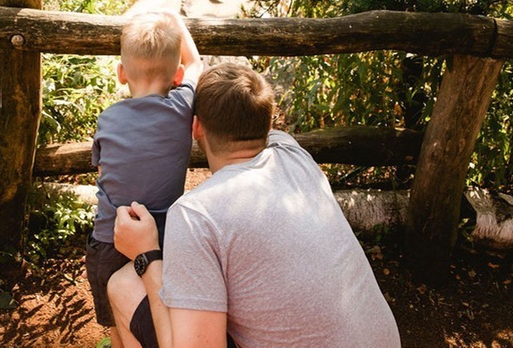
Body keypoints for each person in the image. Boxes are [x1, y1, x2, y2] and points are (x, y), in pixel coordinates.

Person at [108, 62, 401, 348]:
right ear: (269, 123)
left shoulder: (196, 215)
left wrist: (146, 255)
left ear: (196, 127)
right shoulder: (292, 154)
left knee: (124, 285)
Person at [86, 11, 204, 348]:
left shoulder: (108, 119)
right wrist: (179, 20)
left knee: (115, 321)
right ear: (176, 75)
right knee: (153, 311)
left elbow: (103, 171)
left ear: (122, 74)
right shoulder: (183, 105)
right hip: (162, 240)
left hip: (110, 238)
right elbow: (196, 63)